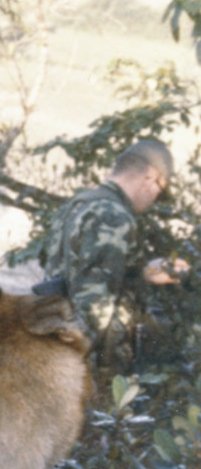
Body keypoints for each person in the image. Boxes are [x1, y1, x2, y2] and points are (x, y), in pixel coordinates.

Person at [39, 138, 188, 367]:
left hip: (54, 339)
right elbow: (94, 305)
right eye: (159, 190)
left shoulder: (79, 204)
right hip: (85, 360)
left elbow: (73, 272)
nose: (155, 200)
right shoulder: (114, 216)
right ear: (150, 175)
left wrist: (143, 272)